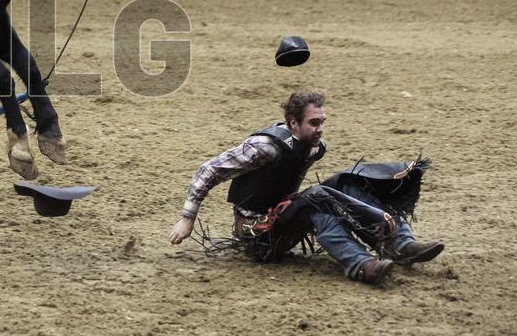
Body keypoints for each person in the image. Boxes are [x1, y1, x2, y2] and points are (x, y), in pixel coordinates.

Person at [169, 91, 444, 285]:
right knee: (316, 198)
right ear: (292, 124)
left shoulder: (314, 148)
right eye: (314, 123)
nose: (321, 129)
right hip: (258, 233)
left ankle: (401, 243)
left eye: (322, 121)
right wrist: (187, 218)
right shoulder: (264, 148)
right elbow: (208, 170)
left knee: (346, 181)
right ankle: (360, 265)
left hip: (286, 213)